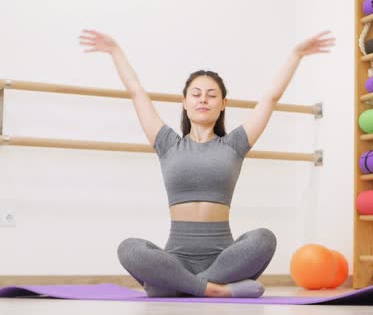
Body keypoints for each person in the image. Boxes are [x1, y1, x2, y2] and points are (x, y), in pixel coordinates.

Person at [78, 29, 335, 298]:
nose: (203, 99)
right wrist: (115, 50)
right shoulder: (167, 143)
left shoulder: (234, 144)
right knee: (128, 248)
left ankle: (179, 286)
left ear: (223, 104)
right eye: (196, 94)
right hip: (175, 258)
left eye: (212, 95)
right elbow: (136, 92)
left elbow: (270, 98)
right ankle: (213, 290)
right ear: (185, 103)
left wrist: (296, 55)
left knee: (264, 238)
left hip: (224, 259)